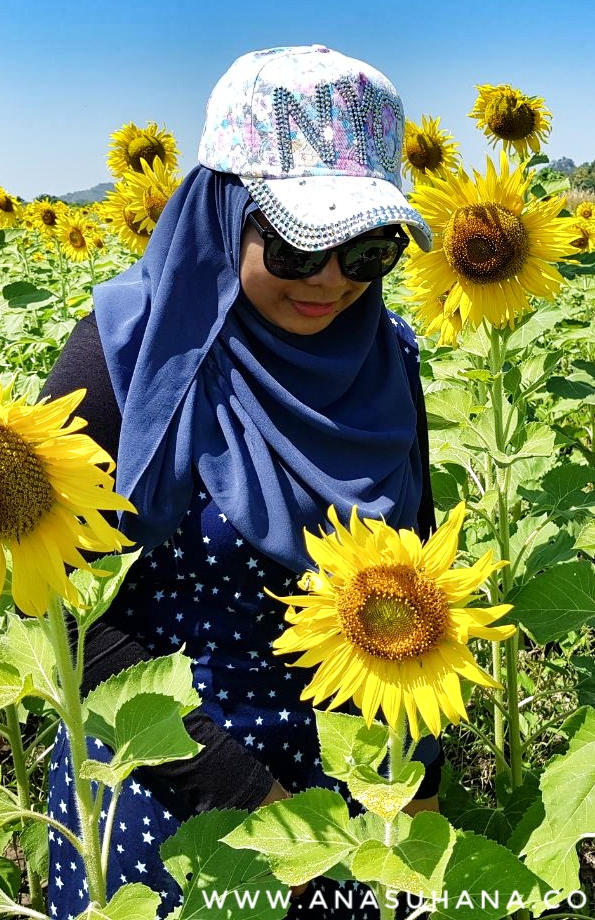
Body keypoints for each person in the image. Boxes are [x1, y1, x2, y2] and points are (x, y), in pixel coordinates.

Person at [39, 45, 442, 920]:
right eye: (298, 244)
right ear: (223, 213)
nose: (332, 279)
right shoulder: (122, 358)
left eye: (368, 247)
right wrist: (244, 790)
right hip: (163, 773)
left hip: (355, 773)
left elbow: (421, 581)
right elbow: (64, 615)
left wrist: (422, 783)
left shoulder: (387, 361)